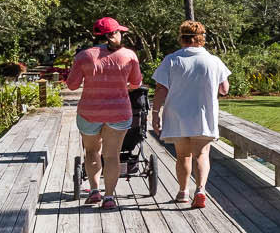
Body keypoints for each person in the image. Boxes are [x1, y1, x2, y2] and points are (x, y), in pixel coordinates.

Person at [151, 19, 232, 208]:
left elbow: (160, 89)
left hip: (177, 116)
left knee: (182, 156)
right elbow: (224, 89)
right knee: (202, 154)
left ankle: (182, 192)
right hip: (204, 115)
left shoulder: (172, 59)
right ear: (201, 38)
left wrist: (155, 113)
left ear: (182, 38)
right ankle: (201, 189)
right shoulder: (213, 61)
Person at [65, 16, 143, 210]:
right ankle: (109, 197)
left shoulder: (83, 56)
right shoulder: (129, 55)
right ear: (114, 34)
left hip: (89, 112)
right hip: (119, 113)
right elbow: (136, 83)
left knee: (92, 151)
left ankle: (94, 191)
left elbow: (72, 85)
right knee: (112, 155)